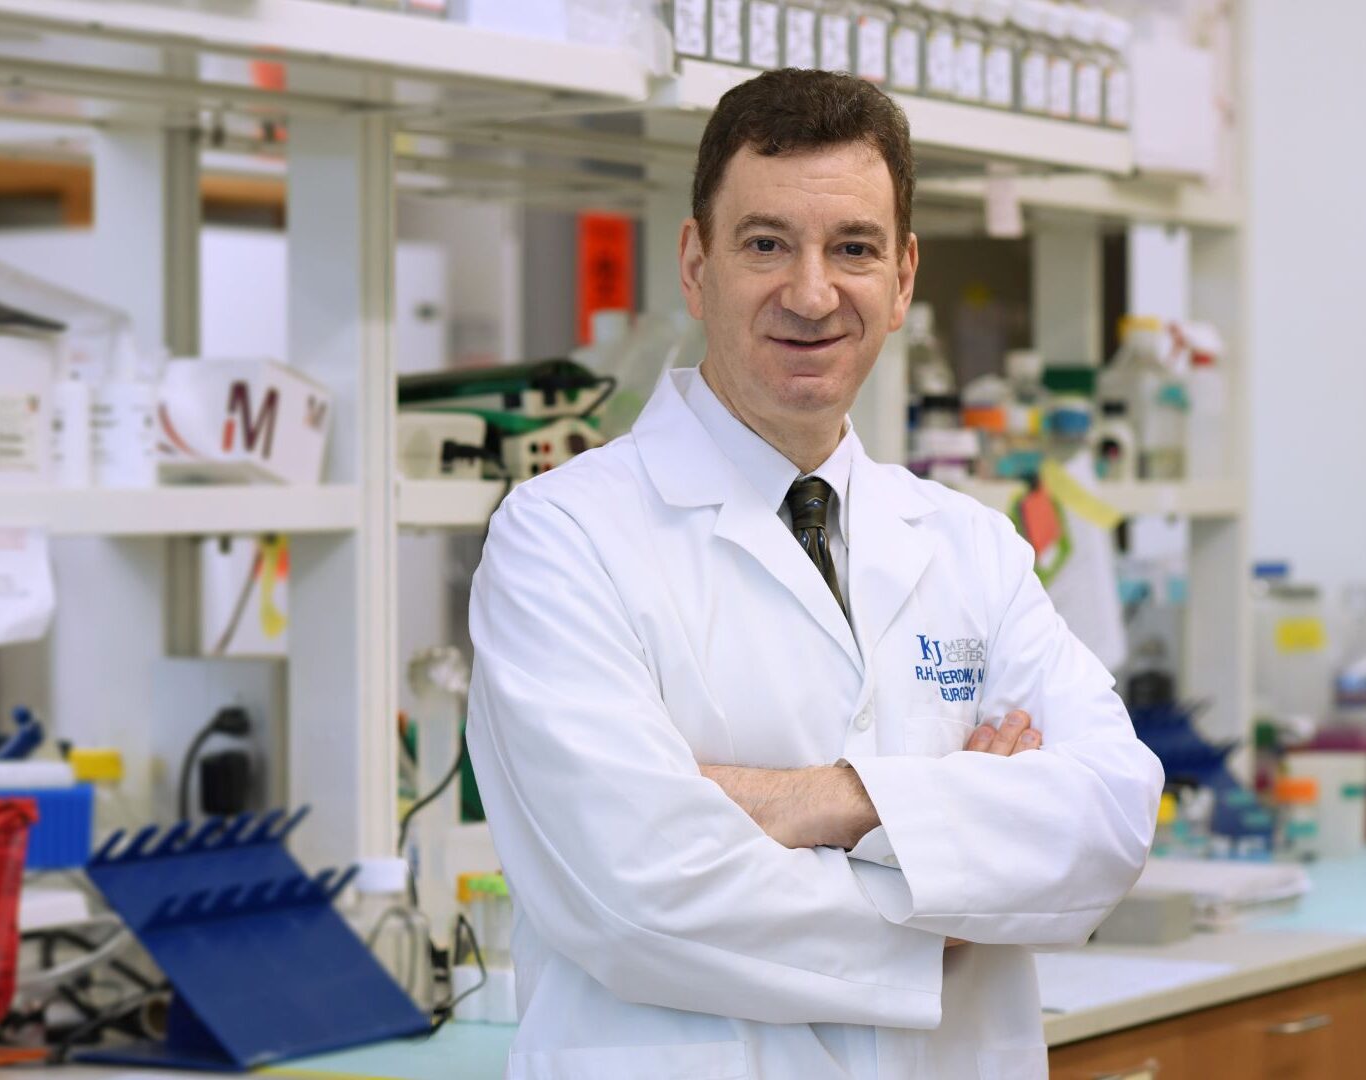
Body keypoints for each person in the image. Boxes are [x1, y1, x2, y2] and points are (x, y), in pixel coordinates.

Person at [465, 68, 1163, 1080]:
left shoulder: (968, 546)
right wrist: (954, 878)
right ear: (695, 266)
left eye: (852, 249)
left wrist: (827, 800)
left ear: (902, 279)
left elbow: (1105, 820)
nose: (809, 291)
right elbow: (636, 892)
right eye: (764, 244)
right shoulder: (559, 538)